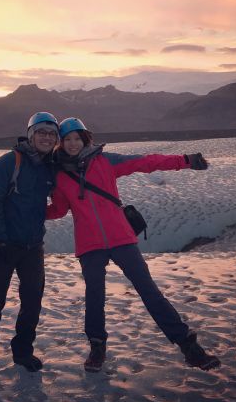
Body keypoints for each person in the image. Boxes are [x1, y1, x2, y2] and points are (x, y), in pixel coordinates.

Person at [46, 117, 221, 372]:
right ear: (60, 143)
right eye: (67, 139)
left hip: (121, 239)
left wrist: (184, 161)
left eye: (77, 138)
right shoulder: (60, 175)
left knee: (149, 292)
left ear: (85, 139)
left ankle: (189, 347)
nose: (73, 144)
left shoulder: (105, 161)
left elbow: (146, 162)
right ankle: (97, 347)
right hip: (90, 244)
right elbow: (59, 210)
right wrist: (29, 211)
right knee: (94, 297)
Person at [0, 112, 59, 375]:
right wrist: (0, 238)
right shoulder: (10, 162)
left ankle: (23, 351)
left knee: (32, 302)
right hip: (4, 246)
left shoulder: (49, 166)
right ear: (31, 134)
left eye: (51, 133)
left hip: (33, 247)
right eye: (41, 132)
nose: (46, 137)